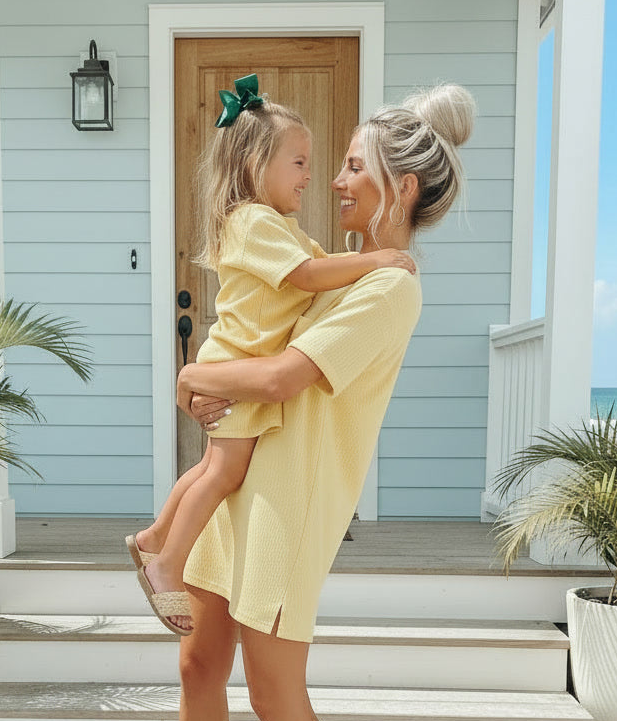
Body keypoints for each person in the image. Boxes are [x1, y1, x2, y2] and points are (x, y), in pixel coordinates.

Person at [120, 82, 476, 721]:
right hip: (237, 492)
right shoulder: (325, 260)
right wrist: (215, 378)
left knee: (278, 699)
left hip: (288, 508)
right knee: (199, 666)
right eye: (334, 165)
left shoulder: (389, 288)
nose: (337, 182)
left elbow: (280, 378)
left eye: (353, 167)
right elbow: (261, 338)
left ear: (404, 188)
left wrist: (192, 380)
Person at [128, 73, 415, 635]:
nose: (315, 176)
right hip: (241, 364)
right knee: (223, 470)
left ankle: (154, 538)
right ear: (258, 166)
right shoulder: (254, 221)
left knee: (213, 465)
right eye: (300, 163)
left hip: (237, 361)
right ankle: (165, 564)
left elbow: (317, 270)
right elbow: (311, 276)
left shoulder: (272, 225)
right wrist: (377, 260)